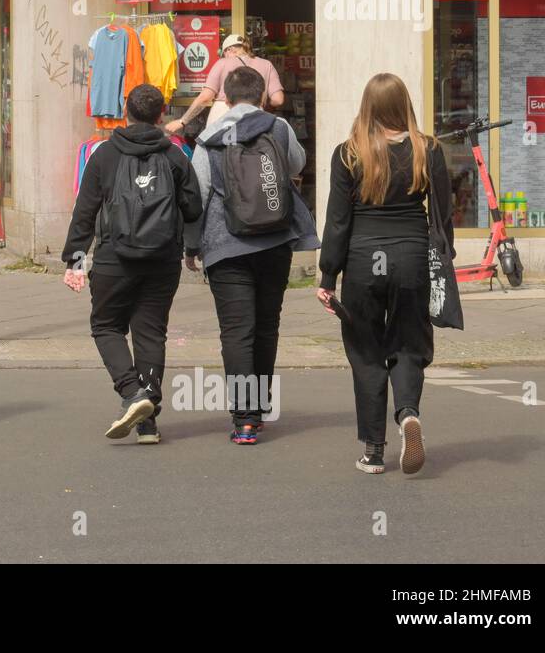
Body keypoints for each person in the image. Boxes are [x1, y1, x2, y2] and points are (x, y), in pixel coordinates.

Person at [317, 73, 452, 475]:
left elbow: (337, 222)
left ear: (367, 107)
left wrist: (327, 278)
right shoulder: (428, 149)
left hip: (363, 262)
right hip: (410, 258)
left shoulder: (348, 153)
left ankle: (374, 450)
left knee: (366, 352)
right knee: (409, 343)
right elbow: (442, 217)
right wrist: (441, 262)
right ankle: (408, 413)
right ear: (403, 104)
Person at [184, 65, 319, 444]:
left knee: (236, 331)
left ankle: (245, 418)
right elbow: (296, 165)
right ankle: (260, 403)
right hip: (275, 240)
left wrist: (191, 246)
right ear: (262, 97)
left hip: (225, 247)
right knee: (266, 325)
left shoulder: (209, 138)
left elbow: (198, 196)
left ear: (225, 98)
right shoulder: (279, 128)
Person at [62, 84, 203, 442]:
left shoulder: (104, 155)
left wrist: (75, 260)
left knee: (107, 326)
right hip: (162, 259)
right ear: (160, 117)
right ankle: (148, 421)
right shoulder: (175, 156)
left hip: (114, 259)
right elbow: (193, 208)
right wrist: (190, 248)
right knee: (150, 332)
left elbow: (85, 211)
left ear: (126, 112)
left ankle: (131, 393)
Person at [165, 34, 286, 133]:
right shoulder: (266, 65)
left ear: (229, 50)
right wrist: (261, 104)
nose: (224, 56)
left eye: (224, 53)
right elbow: (278, 100)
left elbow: (205, 97)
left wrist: (182, 121)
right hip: (256, 117)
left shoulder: (222, 63)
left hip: (222, 117)